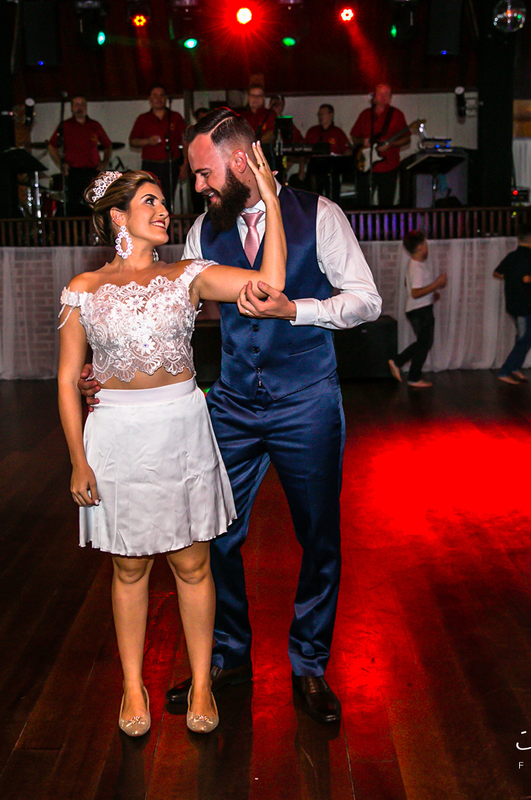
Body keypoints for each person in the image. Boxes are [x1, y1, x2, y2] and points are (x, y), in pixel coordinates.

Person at [86, 108, 381, 724]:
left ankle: (309, 664)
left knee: (319, 537)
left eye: (203, 173)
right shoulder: (203, 231)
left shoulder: (320, 215)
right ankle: (227, 657)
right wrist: (111, 368)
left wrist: (296, 310)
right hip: (231, 404)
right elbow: (171, 315)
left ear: (240, 161)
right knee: (213, 534)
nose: (197, 187)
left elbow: (366, 301)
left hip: (307, 401)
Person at [58, 145, 283, 736]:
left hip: (181, 429)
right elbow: (66, 378)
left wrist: (270, 201)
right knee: (128, 567)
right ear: (117, 216)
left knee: (192, 563)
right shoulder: (83, 288)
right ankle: (133, 687)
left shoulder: (187, 274)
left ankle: (203, 683)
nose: (164, 210)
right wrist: (78, 460)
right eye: (150, 201)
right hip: (116, 435)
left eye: (164, 201)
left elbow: (269, 283)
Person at [387, 229, 445, 388]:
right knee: (424, 342)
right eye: (425, 244)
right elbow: (415, 292)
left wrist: (431, 295)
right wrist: (437, 284)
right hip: (420, 310)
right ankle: (402, 366)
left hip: (418, 309)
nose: (427, 247)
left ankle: (412, 375)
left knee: (424, 343)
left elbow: (411, 287)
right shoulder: (417, 267)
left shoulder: (414, 265)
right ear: (419, 247)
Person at [494, 225, 531, 385]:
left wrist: (511, 277)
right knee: (524, 339)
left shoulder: (511, 256)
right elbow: (527, 278)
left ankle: (515, 367)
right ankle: (505, 371)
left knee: (530, 335)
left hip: (512, 303)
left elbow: (497, 273)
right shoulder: (530, 256)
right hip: (524, 304)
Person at [48, 95, 113, 217]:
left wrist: (104, 162)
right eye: (77, 104)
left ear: (86, 107)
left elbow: (108, 145)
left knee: (94, 207)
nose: (80, 107)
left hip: (92, 172)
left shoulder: (94, 125)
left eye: (82, 104)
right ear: (71, 108)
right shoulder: (65, 126)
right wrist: (60, 165)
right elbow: (52, 147)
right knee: (73, 208)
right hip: (73, 173)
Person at [350, 83, 409, 209]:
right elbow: (354, 137)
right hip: (365, 167)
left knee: (386, 204)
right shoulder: (365, 114)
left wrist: (391, 144)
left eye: (387, 94)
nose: (383, 97)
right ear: (374, 96)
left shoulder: (397, 115)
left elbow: (406, 139)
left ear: (390, 97)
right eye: (380, 94)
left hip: (389, 166)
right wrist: (363, 141)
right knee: (362, 203)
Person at [129, 85, 188, 208]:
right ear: (150, 99)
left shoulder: (175, 117)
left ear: (166, 98)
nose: (159, 98)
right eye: (155, 96)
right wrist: (147, 141)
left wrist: (185, 164)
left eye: (161, 95)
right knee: (150, 198)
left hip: (171, 164)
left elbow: (185, 141)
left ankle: (168, 218)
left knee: (168, 199)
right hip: (150, 165)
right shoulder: (143, 118)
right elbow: (132, 141)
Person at [301, 104, 351, 202]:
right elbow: (304, 152)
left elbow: (347, 151)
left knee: (332, 198)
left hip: (332, 173)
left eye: (323, 114)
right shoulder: (313, 132)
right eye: (319, 114)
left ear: (331, 115)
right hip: (315, 172)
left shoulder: (338, 133)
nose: (320, 116)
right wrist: (301, 169)